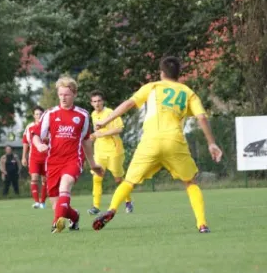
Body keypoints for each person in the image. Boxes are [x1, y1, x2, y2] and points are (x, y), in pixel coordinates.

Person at [92, 56, 223, 233]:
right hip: (174, 142)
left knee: (129, 181)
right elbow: (201, 117)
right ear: (179, 74)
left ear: (162, 73)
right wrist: (211, 143)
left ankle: (112, 209)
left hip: (150, 142)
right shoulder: (188, 92)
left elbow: (128, 104)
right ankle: (202, 224)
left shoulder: (152, 87)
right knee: (190, 182)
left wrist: (106, 120)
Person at [32, 75, 104, 233]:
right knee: (59, 206)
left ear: (74, 94)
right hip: (52, 162)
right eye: (61, 94)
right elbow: (36, 135)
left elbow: (86, 141)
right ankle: (75, 216)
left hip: (73, 160)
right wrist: (38, 145)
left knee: (65, 186)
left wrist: (92, 164)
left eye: (67, 94)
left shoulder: (83, 115)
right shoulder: (50, 114)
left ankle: (55, 223)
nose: (63, 98)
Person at [87, 90, 133, 215]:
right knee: (97, 178)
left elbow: (119, 129)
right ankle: (96, 206)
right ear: (91, 103)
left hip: (114, 151)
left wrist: (101, 134)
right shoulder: (93, 114)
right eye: (94, 101)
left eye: (99, 101)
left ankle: (128, 201)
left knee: (118, 179)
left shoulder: (110, 113)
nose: (97, 104)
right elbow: (97, 133)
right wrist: (93, 136)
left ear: (103, 101)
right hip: (100, 152)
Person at [22, 106, 47, 208]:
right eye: (36, 114)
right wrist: (24, 157)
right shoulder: (29, 127)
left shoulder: (47, 126)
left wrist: (47, 139)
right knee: (34, 178)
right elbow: (25, 142)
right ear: (34, 115)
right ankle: (36, 201)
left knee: (45, 180)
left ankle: (43, 202)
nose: (38, 116)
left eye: (40, 114)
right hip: (34, 158)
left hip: (46, 157)